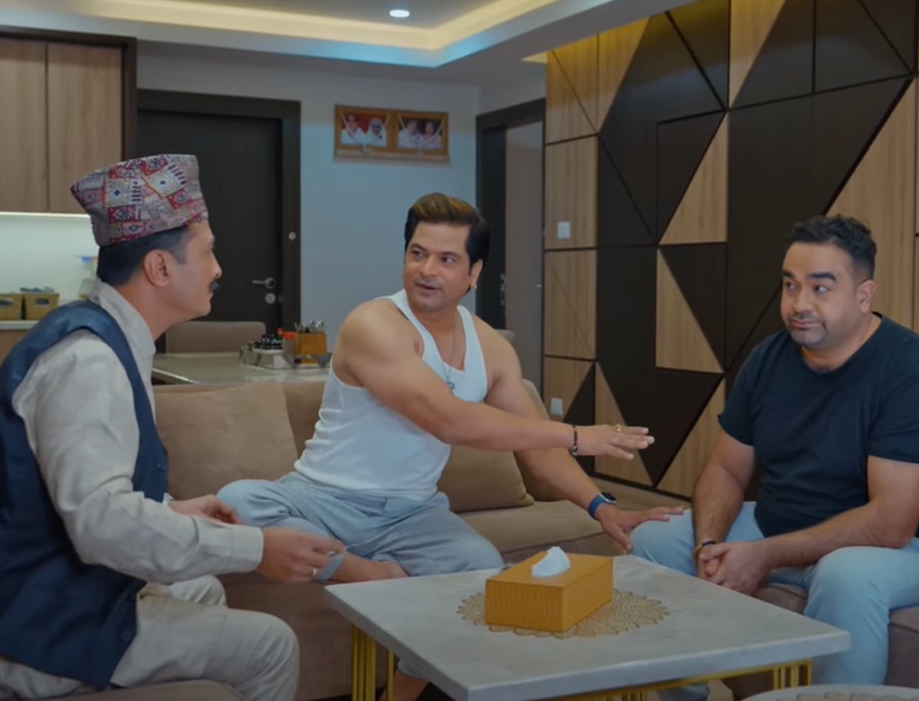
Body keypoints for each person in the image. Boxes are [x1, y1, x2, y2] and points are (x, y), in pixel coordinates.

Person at [219, 192, 683, 701]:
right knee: (240, 502)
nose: (427, 270)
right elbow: (448, 421)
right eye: (417, 253)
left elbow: (534, 448)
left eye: (446, 259)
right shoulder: (374, 324)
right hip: (320, 498)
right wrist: (575, 434)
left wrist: (602, 507)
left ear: (473, 273)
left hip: (413, 514)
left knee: (479, 570)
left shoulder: (491, 348)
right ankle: (372, 576)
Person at [0, 154, 344, 701]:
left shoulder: (103, 337)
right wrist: (256, 548)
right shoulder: (89, 363)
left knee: (200, 588)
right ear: (160, 269)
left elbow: (80, 490)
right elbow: (103, 525)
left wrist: (171, 509)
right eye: (207, 251)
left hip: (26, 590)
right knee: (272, 645)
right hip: (9, 625)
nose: (218, 269)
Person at [630, 215, 919, 698]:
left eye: (820, 288)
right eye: (791, 285)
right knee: (655, 541)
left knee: (846, 575)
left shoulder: (911, 371)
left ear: (864, 295)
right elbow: (725, 469)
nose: (799, 304)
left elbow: (891, 525)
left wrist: (764, 555)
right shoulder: (768, 359)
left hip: (909, 550)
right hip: (780, 524)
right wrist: (708, 545)